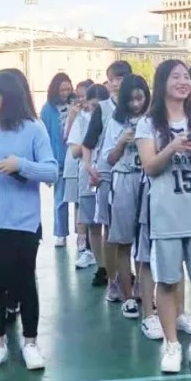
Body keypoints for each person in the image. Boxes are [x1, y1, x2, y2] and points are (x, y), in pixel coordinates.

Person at [0, 69, 58, 374]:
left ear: (6, 96)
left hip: (23, 222)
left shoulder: (34, 129)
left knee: (25, 281)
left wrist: (22, 165)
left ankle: (30, 343)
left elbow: (51, 171)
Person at [135, 60, 191, 374]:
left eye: (186, 77)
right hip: (166, 214)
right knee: (168, 281)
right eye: (175, 77)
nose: (183, 82)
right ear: (162, 83)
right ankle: (171, 345)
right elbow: (150, 167)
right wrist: (171, 147)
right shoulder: (148, 124)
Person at [82, 61, 133, 294]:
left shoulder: (140, 104)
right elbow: (89, 142)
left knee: (133, 228)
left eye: (121, 78)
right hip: (107, 171)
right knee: (109, 226)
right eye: (113, 79)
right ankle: (112, 277)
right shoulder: (103, 108)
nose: (116, 83)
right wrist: (88, 166)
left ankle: (130, 276)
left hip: (134, 171)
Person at [102, 74, 151, 317]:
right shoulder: (116, 121)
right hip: (123, 179)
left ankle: (144, 288)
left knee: (146, 239)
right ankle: (128, 294)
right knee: (123, 240)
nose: (135, 104)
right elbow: (109, 159)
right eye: (130, 100)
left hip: (148, 179)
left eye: (140, 98)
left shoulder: (152, 119)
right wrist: (121, 143)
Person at [71, 83, 109, 277]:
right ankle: (101, 267)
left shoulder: (113, 119)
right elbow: (74, 151)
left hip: (108, 177)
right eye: (93, 106)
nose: (95, 110)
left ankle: (114, 268)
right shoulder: (81, 120)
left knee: (110, 225)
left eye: (99, 106)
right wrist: (88, 140)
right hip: (87, 177)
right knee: (93, 225)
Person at [40, 72, 74, 249]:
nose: (65, 93)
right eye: (62, 90)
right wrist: (46, 164)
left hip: (75, 158)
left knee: (79, 200)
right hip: (58, 160)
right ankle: (61, 233)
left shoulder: (75, 105)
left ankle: (83, 236)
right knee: (60, 200)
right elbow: (43, 137)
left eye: (68, 89)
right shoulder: (47, 109)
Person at [62, 80, 94, 267]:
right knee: (83, 207)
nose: (81, 100)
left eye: (84, 96)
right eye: (79, 96)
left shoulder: (108, 115)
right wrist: (91, 142)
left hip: (104, 172)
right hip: (83, 170)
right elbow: (72, 146)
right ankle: (86, 245)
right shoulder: (79, 118)